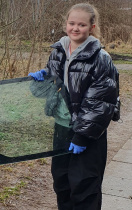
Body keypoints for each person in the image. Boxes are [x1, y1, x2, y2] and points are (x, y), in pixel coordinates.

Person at [28, 3, 119, 210]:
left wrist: (82, 136)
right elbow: (51, 92)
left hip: (87, 135)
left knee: (84, 186)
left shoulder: (101, 59)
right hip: (62, 128)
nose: (75, 28)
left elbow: (101, 103)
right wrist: (39, 81)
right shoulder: (58, 51)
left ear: (92, 27)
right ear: (65, 24)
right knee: (62, 184)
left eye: (81, 24)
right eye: (71, 23)